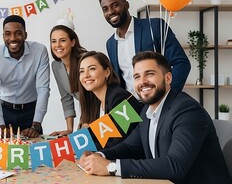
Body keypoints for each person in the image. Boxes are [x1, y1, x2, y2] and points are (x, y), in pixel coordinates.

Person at [78, 51, 231, 183]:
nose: (142, 81)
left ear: (168, 78)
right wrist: (98, 155)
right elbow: (131, 147)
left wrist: (111, 167)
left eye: (150, 74)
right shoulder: (147, 110)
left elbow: (174, 165)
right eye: (137, 76)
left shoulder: (186, 110)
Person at [99, 0, 190, 95]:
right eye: (105, 9)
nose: (110, 12)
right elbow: (118, 80)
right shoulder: (111, 44)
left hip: (157, 100)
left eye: (115, 5)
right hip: (130, 107)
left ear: (126, 5)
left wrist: (169, 95)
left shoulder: (155, 26)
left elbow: (181, 63)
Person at [0, 15, 50, 138]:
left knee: (34, 153)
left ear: (25, 35)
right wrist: (0, 125)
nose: (13, 38)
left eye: (18, 33)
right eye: (8, 34)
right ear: (3, 36)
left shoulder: (40, 51)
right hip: (4, 112)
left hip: (31, 112)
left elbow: (43, 90)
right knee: (3, 153)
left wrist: (36, 124)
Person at [77, 51, 141, 149]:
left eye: (92, 69)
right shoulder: (95, 102)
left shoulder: (121, 98)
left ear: (107, 72)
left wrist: (80, 147)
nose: (86, 75)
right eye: (81, 71)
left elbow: (118, 142)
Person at [48, 22, 87, 137]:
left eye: (63, 40)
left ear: (73, 42)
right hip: (86, 114)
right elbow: (66, 98)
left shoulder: (86, 60)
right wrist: (70, 129)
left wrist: (83, 123)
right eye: (53, 41)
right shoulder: (56, 66)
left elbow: (92, 98)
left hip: (103, 112)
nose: (58, 45)